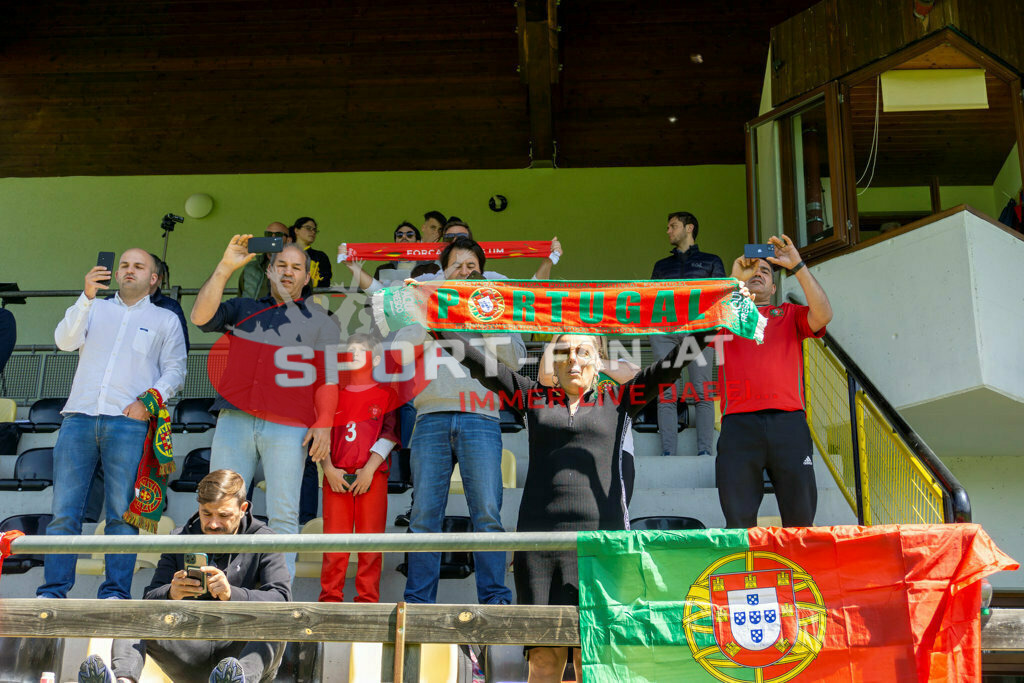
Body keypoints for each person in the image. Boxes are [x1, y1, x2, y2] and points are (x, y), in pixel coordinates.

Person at [430, 323, 734, 683]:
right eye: (563, 352)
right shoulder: (532, 399)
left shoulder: (620, 400)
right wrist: (432, 323)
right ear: (551, 364)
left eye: (582, 351)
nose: (572, 359)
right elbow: (479, 362)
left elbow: (671, 364)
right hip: (538, 547)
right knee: (543, 657)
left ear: (597, 360)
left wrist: (715, 323)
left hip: (600, 548)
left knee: (593, 656)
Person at [38, 249, 186, 600]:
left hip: (127, 422)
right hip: (78, 418)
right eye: (124, 265)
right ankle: (53, 592)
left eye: (139, 266)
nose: (128, 270)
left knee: (122, 517)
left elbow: (176, 370)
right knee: (64, 514)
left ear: (154, 278)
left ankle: (115, 594)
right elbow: (64, 341)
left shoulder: (165, 319)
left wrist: (148, 402)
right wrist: (86, 296)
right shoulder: (94, 307)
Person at [190, 236, 340, 576]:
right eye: (281, 266)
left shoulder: (323, 321)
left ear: (307, 277)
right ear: (269, 271)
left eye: (296, 268)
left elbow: (329, 379)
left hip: (289, 424)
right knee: (218, 505)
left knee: (284, 512)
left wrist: (325, 422)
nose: (288, 272)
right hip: (235, 419)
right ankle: (218, 586)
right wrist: (225, 267)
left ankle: (278, 594)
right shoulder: (243, 307)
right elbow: (200, 317)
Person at [77, 469, 291, 683]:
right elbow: (150, 597)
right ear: (198, 507)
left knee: (275, 627)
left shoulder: (264, 540)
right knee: (137, 614)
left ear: (243, 509)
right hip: (188, 646)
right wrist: (171, 593)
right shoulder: (179, 538)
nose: (213, 524)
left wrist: (231, 594)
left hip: (240, 649)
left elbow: (282, 600)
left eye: (224, 515)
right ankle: (123, 680)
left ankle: (237, 679)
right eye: (206, 514)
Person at [717, 234, 833, 528]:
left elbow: (823, 314)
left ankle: (800, 574)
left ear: (774, 286)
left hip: (789, 424)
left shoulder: (789, 314)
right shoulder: (728, 316)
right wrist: (733, 281)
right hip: (739, 426)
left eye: (765, 271)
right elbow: (695, 328)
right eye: (751, 268)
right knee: (738, 521)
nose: (757, 272)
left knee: (801, 518)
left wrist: (798, 265)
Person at [320, 333, 399, 603]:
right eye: (349, 350)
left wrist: (369, 470)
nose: (353, 354)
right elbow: (322, 435)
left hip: (372, 477)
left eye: (360, 350)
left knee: (370, 543)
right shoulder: (333, 394)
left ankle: (367, 600)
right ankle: (330, 599)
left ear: (375, 358)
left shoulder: (386, 394)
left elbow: (389, 434)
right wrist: (328, 469)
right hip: (336, 477)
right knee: (334, 544)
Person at [649, 211, 726, 457]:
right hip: (665, 332)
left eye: (673, 226)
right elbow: (650, 300)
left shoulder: (712, 261)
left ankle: (704, 451)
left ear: (689, 228)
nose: (668, 231)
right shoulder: (661, 266)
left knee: (702, 392)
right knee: (666, 392)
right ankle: (668, 453)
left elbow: (721, 297)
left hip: (699, 332)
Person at [238, 222, 290, 300]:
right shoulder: (251, 267)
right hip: (253, 311)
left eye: (278, 234)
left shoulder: (296, 268)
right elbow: (240, 298)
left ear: (288, 240)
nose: (273, 237)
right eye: (269, 234)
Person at [289, 216, 332, 290]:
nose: (313, 232)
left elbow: (325, 283)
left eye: (315, 230)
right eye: (308, 228)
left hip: (312, 299)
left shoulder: (320, 256)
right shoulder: (285, 254)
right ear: (296, 230)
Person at [373, 221, 421, 286]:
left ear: (418, 242)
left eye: (409, 234)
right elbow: (372, 293)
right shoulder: (383, 269)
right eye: (399, 235)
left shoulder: (429, 268)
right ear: (395, 242)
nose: (404, 237)